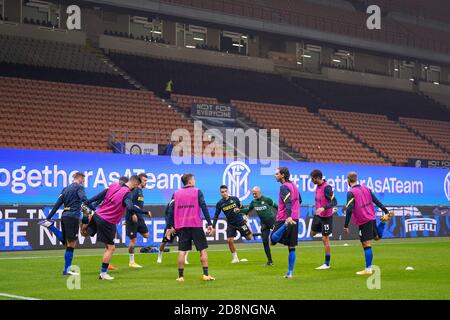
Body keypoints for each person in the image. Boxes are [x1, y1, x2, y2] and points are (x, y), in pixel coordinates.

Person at [85, 175, 149, 280]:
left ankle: (84, 221)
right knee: (111, 248)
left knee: (86, 233)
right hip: (107, 220)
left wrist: (88, 202)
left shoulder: (114, 185)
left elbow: (100, 195)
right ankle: (103, 274)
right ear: (136, 184)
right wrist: (144, 212)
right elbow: (129, 206)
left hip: (97, 215)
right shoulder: (127, 194)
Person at [38, 172, 94, 276]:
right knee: (71, 243)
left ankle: (51, 226)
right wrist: (94, 208)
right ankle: (67, 270)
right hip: (73, 216)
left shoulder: (65, 189)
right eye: (84, 179)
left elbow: (58, 203)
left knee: (66, 242)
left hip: (64, 216)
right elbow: (84, 199)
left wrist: (48, 217)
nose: (84, 182)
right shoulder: (79, 188)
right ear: (80, 178)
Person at [165, 173, 215, 282]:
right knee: (202, 249)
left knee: (182, 251)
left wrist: (169, 227)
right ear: (190, 182)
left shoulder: (176, 193)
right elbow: (204, 206)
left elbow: (170, 211)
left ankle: (180, 277)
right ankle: (205, 275)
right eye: (194, 180)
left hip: (182, 226)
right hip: (195, 224)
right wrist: (210, 223)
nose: (195, 181)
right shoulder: (197, 191)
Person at [343, 172, 393, 275]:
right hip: (371, 217)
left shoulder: (351, 192)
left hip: (363, 220)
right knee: (377, 237)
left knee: (366, 244)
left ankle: (368, 269)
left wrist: (346, 225)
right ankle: (382, 223)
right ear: (356, 179)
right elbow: (376, 201)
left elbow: (349, 209)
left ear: (348, 181)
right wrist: (386, 211)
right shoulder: (366, 189)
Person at [270, 167, 302, 278]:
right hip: (295, 217)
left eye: (277, 174)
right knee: (291, 247)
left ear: (282, 175)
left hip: (285, 218)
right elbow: (300, 200)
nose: (275, 175)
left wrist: (288, 217)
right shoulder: (294, 185)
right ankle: (290, 272)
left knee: (273, 239)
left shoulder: (284, 187)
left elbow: (288, 202)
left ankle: (285, 225)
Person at [235, 186, 277, 266]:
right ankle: (270, 261)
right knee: (265, 242)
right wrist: (239, 210)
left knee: (274, 238)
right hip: (264, 224)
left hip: (272, 221)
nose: (254, 195)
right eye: (253, 194)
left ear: (259, 192)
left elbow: (277, 206)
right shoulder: (253, 202)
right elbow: (248, 210)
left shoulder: (267, 199)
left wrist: (284, 214)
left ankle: (282, 240)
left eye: (255, 193)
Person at [213, 185, 252, 264]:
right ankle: (235, 258)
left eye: (225, 191)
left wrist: (246, 215)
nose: (224, 193)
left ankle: (249, 227)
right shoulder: (220, 203)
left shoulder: (235, 199)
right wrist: (213, 227)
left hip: (240, 222)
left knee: (249, 238)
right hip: (231, 224)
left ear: (228, 192)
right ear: (220, 193)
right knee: (229, 240)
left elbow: (242, 207)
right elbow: (216, 215)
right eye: (222, 192)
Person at [310, 169, 337, 270]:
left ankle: (327, 264)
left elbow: (334, 201)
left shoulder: (327, 188)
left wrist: (324, 208)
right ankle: (324, 231)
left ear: (317, 178)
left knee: (325, 239)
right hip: (318, 216)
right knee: (312, 233)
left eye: (313, 179)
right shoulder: (317, 186)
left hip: (326, 217)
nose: (312, 181)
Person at [126, 173, 152, 268]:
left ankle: (133, 230)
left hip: (139, 217)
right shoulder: (135, 190)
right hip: (133, 217)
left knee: (146, 235)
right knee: (133, 240)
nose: (146, 183)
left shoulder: (140, 191)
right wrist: (132, 214)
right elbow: (129, 204)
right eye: (144, 181)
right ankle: (131, 262)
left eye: (146, 181)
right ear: (139, 181)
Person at [157, 198, 189, 264]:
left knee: (186, 242)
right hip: (171, 227)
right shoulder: (172, 203)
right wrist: (170, 226)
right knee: (164, 241)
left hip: (181, 226)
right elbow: (167, 215)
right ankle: (159, 256)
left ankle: (185, 258)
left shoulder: (185, 203)